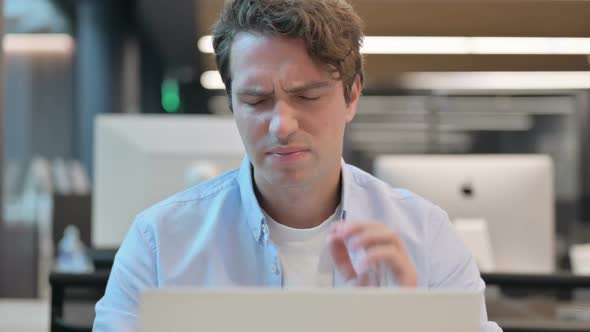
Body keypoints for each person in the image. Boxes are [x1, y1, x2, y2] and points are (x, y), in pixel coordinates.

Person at [93, 0, 500, 331]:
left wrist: (413, 326)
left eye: (307, 97)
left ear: (352, 96)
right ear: (232, 103)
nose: (282, 126)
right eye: (255, 100)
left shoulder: (426, 238)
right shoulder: (160, 242)